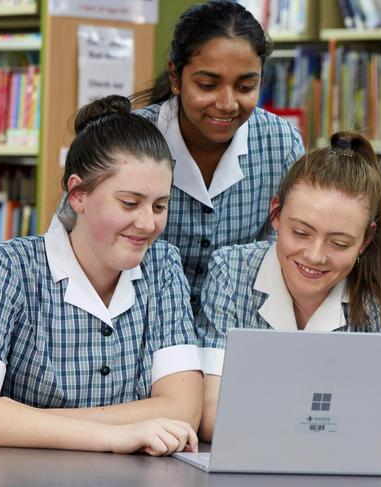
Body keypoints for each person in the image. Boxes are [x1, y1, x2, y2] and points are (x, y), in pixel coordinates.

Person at [0, 96, 202, 456]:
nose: (148, 224)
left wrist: (29, 422)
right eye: (129, 203)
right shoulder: (9, 268)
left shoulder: (163, 265)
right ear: (78, 194)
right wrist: (116, 436)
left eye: (160, 206)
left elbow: (184, 408)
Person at [196, 132, 381, 441]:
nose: (315, 256)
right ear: (276, 215)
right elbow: (210, 415)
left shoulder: (380, 300)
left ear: (366, 241)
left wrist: (258, 417)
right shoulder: (231, 272)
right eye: (301, 233)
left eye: (339, 243)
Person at [134, 1, 304, 315]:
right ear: (176, 76)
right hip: (139, 327)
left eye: (245, 86)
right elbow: (78, 245)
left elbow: (287, 254)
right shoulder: (130, 139)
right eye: (208, 85)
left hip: (238, 326)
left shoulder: (280, 143)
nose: (227, 104)